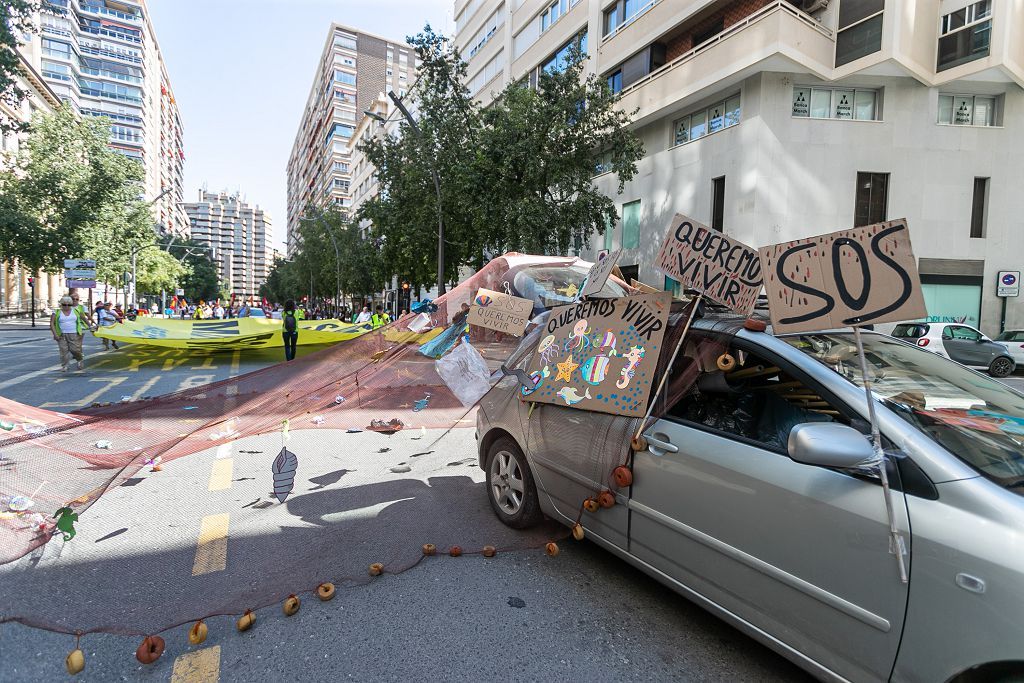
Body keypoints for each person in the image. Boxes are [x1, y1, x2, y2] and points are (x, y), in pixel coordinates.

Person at [51, 295, 87, 371]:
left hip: (74, 333)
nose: (67, 306)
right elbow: (52, 323)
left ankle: (80, 359)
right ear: (61, 304)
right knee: (63, 351)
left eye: (69, 305)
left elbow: (83, 318)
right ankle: (65, 366)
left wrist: (91, 325)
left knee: (75, 350)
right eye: (64, 304)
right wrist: (55, 334)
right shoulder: (56, 312)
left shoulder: (76, 311)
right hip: (61, 334)